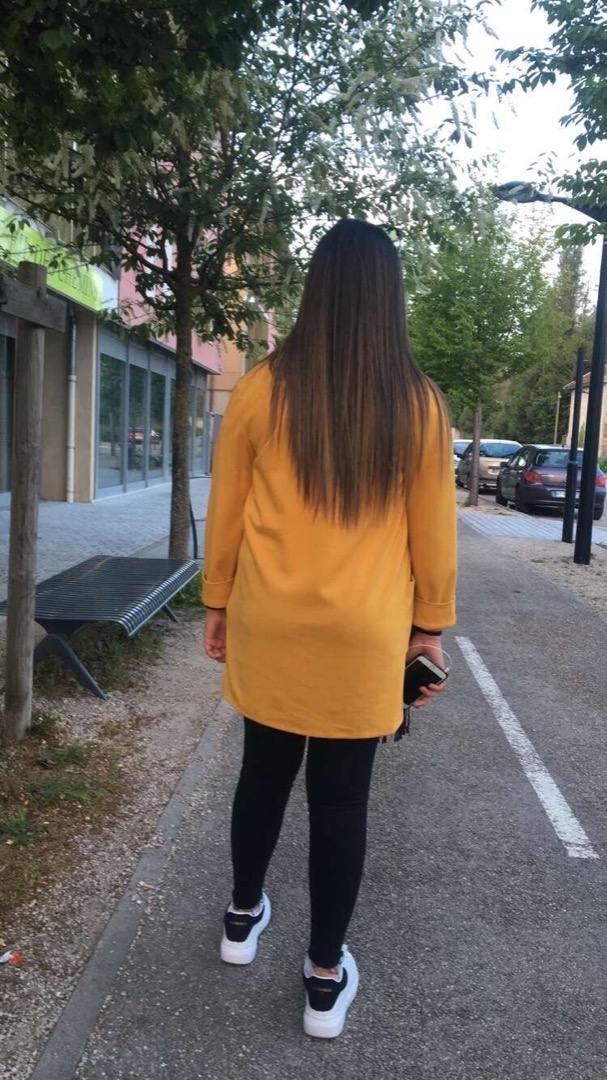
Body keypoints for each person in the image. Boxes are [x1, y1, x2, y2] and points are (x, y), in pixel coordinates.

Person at [203, 217, 456, 1039]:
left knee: (261, 774)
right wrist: (429, 629)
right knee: (341, 802)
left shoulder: (260, 389)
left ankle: (241, 919)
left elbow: (228, 506)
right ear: (389, 297)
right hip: (364, 631)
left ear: (314, 290)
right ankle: (321, 979)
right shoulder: (418, 404)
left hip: (270, 618)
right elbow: (432, 532)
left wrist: (218, 600)